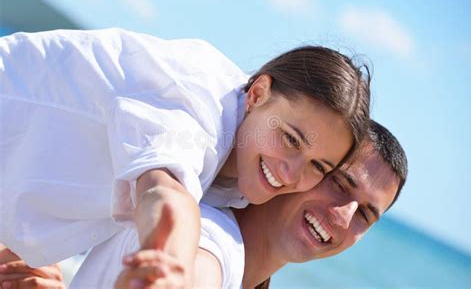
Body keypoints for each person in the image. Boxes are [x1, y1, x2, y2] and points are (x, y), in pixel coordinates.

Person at [0, 29, 370, 284]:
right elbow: (162, 191)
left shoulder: (241, 166)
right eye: (291, 139)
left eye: (318, 166)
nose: (291, 173)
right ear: (258, 93)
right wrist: (172, 264)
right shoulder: (198, 107)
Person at [19, 120, 404, 289]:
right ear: (305, 170)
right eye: (339, 183)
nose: (344, 215)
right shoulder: (211, 238)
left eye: (367, 213)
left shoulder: (244, 268)